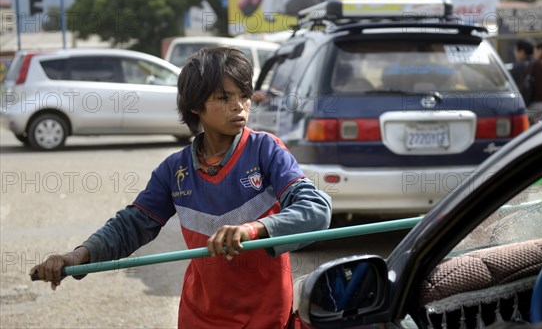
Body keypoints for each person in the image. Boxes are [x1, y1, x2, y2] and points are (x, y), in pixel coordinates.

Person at [30, 47, 333, 328]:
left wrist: (253, 230)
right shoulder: (173, 170)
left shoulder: (266, 150)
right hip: (199, 317)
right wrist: (78, 255)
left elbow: (316, 211)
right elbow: (130, 225)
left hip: (265, 316)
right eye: (223, 97)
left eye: (244, 95)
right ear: (195, 105)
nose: (239, 106)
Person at [509, 39, 536, 107]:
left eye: (516, 51)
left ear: (522, 52)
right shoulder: (538, 64)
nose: (515, 54)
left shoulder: (519, 66)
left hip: (525, 104)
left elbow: (511, 86)